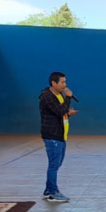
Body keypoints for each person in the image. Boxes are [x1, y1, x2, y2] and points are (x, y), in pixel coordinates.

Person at [39, 71, 78, 202]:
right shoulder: (47, 96)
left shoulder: (59, 95)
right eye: (62, 82)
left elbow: (61, 113)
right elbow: (59, 111)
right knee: (54, 164)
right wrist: (68, 98)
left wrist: (69, 113)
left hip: (61, 135)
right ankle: (53, 192)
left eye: (65, 82)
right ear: (53, 83)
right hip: (52, 135)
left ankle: (48, 188)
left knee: (57, 163)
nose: (65, 85)